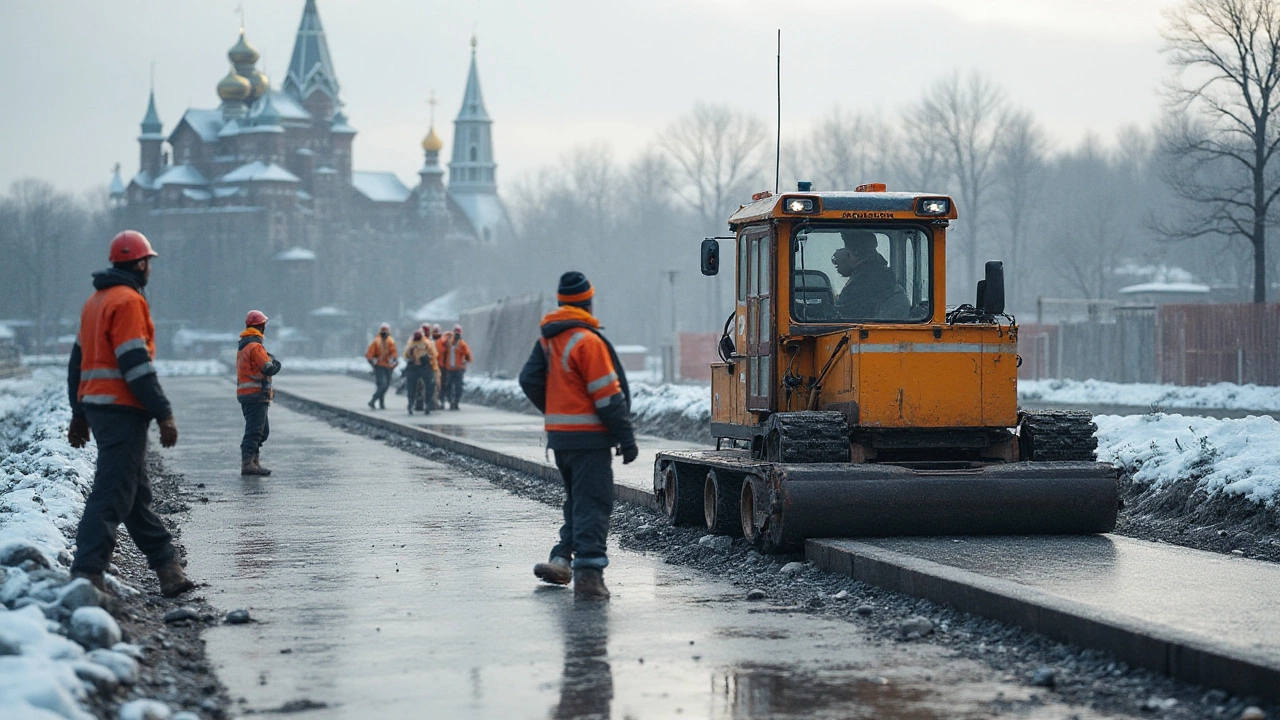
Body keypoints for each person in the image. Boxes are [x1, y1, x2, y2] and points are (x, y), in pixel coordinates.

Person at [65, 230, 195, 598]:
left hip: (99, 407)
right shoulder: (128, 301)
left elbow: (76, 363)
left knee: (135, 497)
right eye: (148, 262)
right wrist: (163, 412)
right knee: (111, 493)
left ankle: (168, 567)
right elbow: (135, 364)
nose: (148, 268)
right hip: (122, 411)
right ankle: (87, 574)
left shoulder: (95, 301)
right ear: (140, 264)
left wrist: (79, 412)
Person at [520, 271, 638, 600]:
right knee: (594, 503)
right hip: (590, 439)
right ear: (588, 301)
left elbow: (529, 379)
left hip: (561, 439)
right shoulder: (587, 341)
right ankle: (588, 576)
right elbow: (607, 397)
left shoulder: (548, 339)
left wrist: (557, 407)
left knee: (577, 502)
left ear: (561, 302)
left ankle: (561, 558)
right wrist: (626, 439)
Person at [237, 310, 281, 475]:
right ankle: (248, 464)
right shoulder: (255, 346)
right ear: (261, 326)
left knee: (261, 431)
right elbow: (267, 368)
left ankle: (254, 461)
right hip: (255, 395)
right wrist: (276, 364)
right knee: (255, 431)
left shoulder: (244, 346)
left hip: (249, 395)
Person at [832, 229, 910, 320]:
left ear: (851, 254)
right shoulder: (882, 274)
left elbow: (842, 317)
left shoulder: (862, 283)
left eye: (846, 250)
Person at [439, 324, 472, 410]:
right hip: (449, 369)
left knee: (458, 387)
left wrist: (465, 359)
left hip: (459, 369)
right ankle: (450, 401)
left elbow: (468, 355)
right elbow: (441, 347)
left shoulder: (462, 344)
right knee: (448, 386)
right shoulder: (448, 342)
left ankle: (456, 402)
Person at [365, 323, 398, 409]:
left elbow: (393, 352)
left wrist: (394, 360)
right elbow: (369, 354)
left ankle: (381, 402)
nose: (384, 332)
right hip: (379, 366)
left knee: (386, 386)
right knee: (382, 384)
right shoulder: (376, 341)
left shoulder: (390, 341)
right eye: (383, 330)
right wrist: (372, 362)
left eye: (385, 330)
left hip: (388, 367)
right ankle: (373, 400)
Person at [403, 329, 433, 415]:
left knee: (411, 387)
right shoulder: (426, 343)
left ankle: (412, 404)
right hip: (423, 367)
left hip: (415, 367)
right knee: (428, 385)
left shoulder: (411, 343)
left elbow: (406, 355)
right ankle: (426, 404)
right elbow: (433, 355)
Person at [430, 324, 444, 410]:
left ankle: (439, 400)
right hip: (433, 367)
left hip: (442, 367)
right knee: (434, 385)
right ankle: (433, 401)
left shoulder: (444, 342)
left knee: (440, 385)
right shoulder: (429, 343)